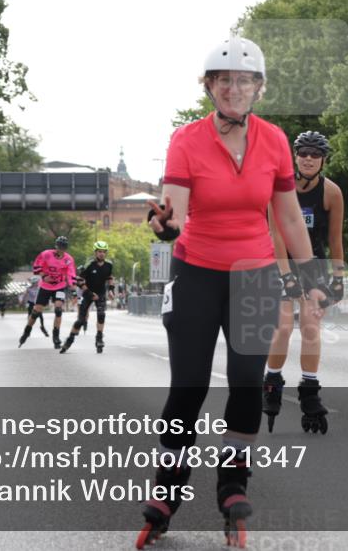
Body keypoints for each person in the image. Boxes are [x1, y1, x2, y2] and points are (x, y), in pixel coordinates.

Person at [136, 37, 330, 549]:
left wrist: (312, 280)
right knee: (189, 385)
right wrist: (164, 226)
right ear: (209, 86)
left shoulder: (275, 141)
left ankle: (233, 485)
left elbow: (289, 216)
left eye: (244, 81)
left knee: (246, 382)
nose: (233, 88)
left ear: (259, 89)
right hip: (196, 270)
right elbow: (174, 209)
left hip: (254, 273)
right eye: (223, 80)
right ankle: (167, 490)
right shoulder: (186, 140)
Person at [263, 131, 346, 434]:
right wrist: (286, 276)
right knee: (284, 326)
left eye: (315, 154)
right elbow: (275, 234)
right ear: (295, 157)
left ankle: (309, 392)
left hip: (312, 262)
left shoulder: (331, 193)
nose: (309, 159)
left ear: (323, 160)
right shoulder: (279, 189)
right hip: (280, 259)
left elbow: (335, 239)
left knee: (311, 326)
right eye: (303, 154)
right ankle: (272, 381)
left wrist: (338, 277)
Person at [20, 235, 77, 348]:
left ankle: (56, 337)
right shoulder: (46, 254)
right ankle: (27, 331)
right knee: (36, 312)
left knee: (58, 310)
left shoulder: (68, 259)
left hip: (59, 286)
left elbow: (71, 275)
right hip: (45, 286)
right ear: (56, 246)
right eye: (59, 246)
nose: (61, 249)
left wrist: (74, 291)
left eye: (63, 247)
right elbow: (37, 266)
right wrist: (44, 276)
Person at [60, 241, 115, 354]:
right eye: (99, 252)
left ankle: (99, 338)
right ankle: (70, 339)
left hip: (100, 293)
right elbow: (79, 281)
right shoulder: (89, 264)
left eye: (104, 252)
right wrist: (90, 294)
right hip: (87, 293)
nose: (102, 254)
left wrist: (111, 290)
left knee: (101, 314)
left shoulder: (109, 265)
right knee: (81, 321)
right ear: (95, 252)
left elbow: (109, 277)